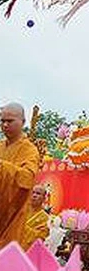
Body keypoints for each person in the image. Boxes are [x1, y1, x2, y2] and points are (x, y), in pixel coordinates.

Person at [0, 103, 41, 247]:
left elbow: (27, 178)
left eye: (10, 121)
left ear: (23, 122)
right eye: (2, 121)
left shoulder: (29, 150)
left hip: (13, 215)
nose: (5, 125)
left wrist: (2, 168)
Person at [17, 184, 49, 250]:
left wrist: (21, 226)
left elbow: (40, 238)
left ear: (44, 198)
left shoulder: (45, 218)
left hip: (26, 251)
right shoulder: (20, 210)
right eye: (33, 192)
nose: (34, 195)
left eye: (38, 193)